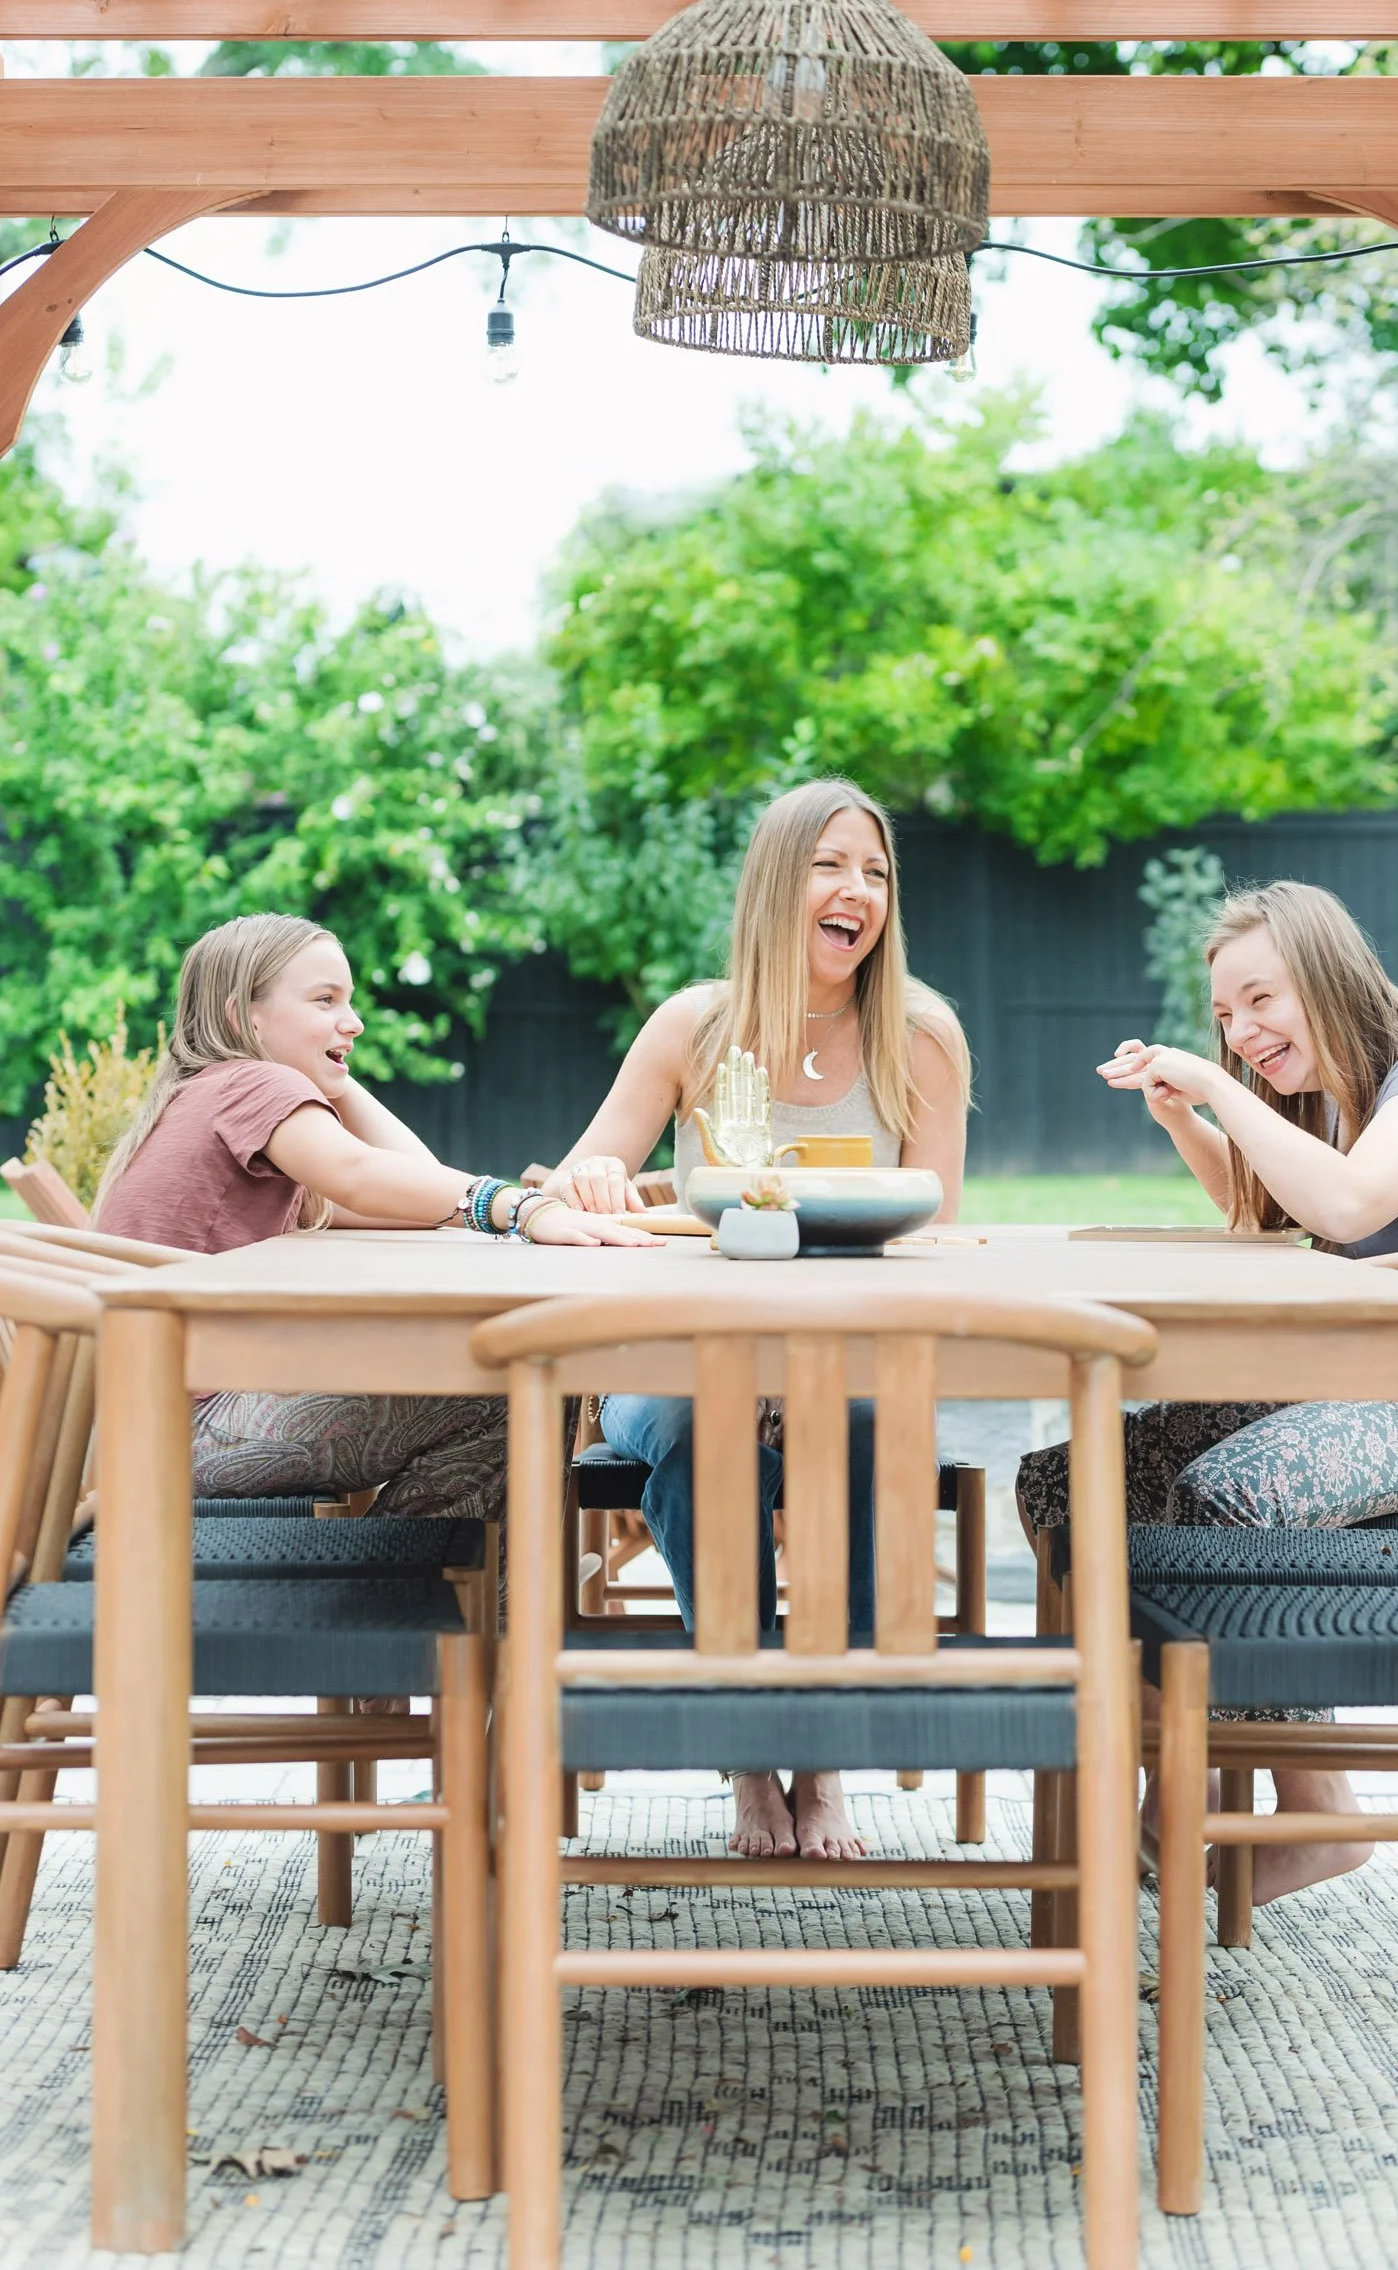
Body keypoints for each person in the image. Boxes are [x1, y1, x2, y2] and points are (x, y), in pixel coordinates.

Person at [1015, 878, 1398, 1902]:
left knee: (1232, 1500)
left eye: (1260, 999)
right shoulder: (1342, 1104)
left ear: (1326, 972)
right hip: (1380, 1395)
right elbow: (1274, 1216)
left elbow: (1350, 1205)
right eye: (1224, 1015)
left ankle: (1313, 1810)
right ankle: (1142, 1762)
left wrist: (1219, 1088)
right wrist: (1187, 1114)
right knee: (1070, 1478)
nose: (1241, 1030)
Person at [544, 777, 971, 1860]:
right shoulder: (695, 1024)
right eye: (831, 865)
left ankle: (822, 1761)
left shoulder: (919, 1036)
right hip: (680, 1365)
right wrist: (600, 1179)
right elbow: (593, 1158)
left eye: (874, 872)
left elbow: (932, 1231)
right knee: (698, 1431)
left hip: (851, 1359)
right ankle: (745, 1754)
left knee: (864, 1428)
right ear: (779, 883)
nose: (856, 891)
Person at [96, 913, 653, 1518]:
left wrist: (335, 1074)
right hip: (186, 1428)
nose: (353, 1021)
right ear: (242, 1017)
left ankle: (407, 1587)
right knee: (519, 1388)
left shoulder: (214, 1098)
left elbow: (417, 1188)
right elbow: (362, 1176)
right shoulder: (249, 1086)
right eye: (325, 1000)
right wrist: (519, 1206)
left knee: (508, 1387)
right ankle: (406, 1594)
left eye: (350, 1002)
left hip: (150, 1423)